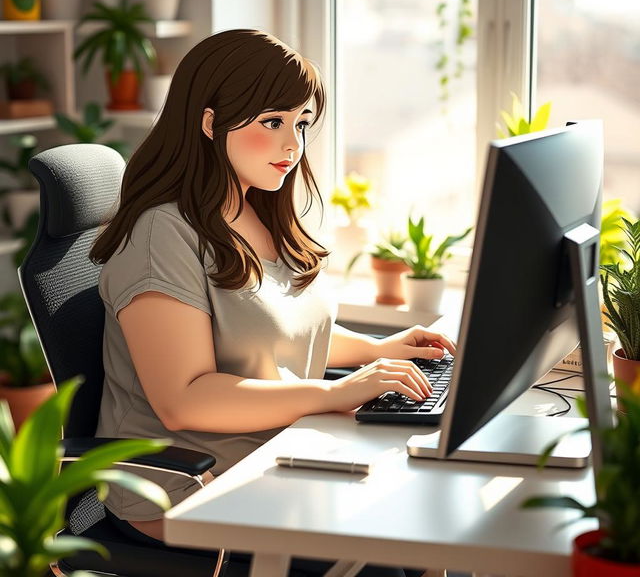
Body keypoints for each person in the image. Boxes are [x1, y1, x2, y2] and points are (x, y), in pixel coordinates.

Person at [90, 28, 455, 576]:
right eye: (272, 122)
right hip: (191, 488)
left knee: (429, 520)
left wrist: (379, 350)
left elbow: (275, 332)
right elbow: (185, 400)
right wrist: (336, 393)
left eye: (301, 124)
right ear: (211, 122)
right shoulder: (161, 234)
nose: (293, 145)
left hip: (271, 456)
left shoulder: (254, 208)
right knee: (395, 552)